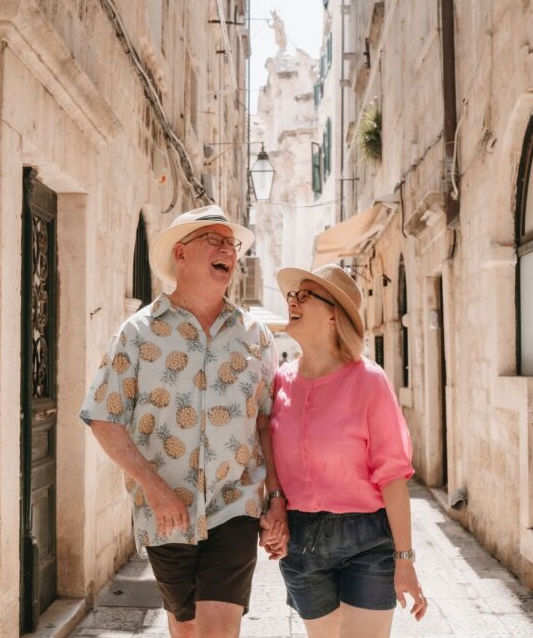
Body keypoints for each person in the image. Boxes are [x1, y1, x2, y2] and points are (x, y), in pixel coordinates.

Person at [80, 205, 284, 638]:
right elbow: (104, 417)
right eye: (214, 239)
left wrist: (277, 497)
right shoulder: (137, 333)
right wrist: (154, 489)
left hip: (235, 506)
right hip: (166, 512)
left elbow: (267, 423)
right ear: (181, 254)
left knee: (216, 630)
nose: (228, 248)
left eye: (232, 243)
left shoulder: (255, 336)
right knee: (186, 628)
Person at [261, 264, 426, 637]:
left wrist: (405, 559)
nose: (293, 302)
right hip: (301, 541)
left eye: (305, 296)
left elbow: (393, 475)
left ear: (334, 313)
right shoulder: (280, 381)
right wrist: (273, 507)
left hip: (366, 538)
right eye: (292, 295)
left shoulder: (369, 380)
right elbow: (268, 456)